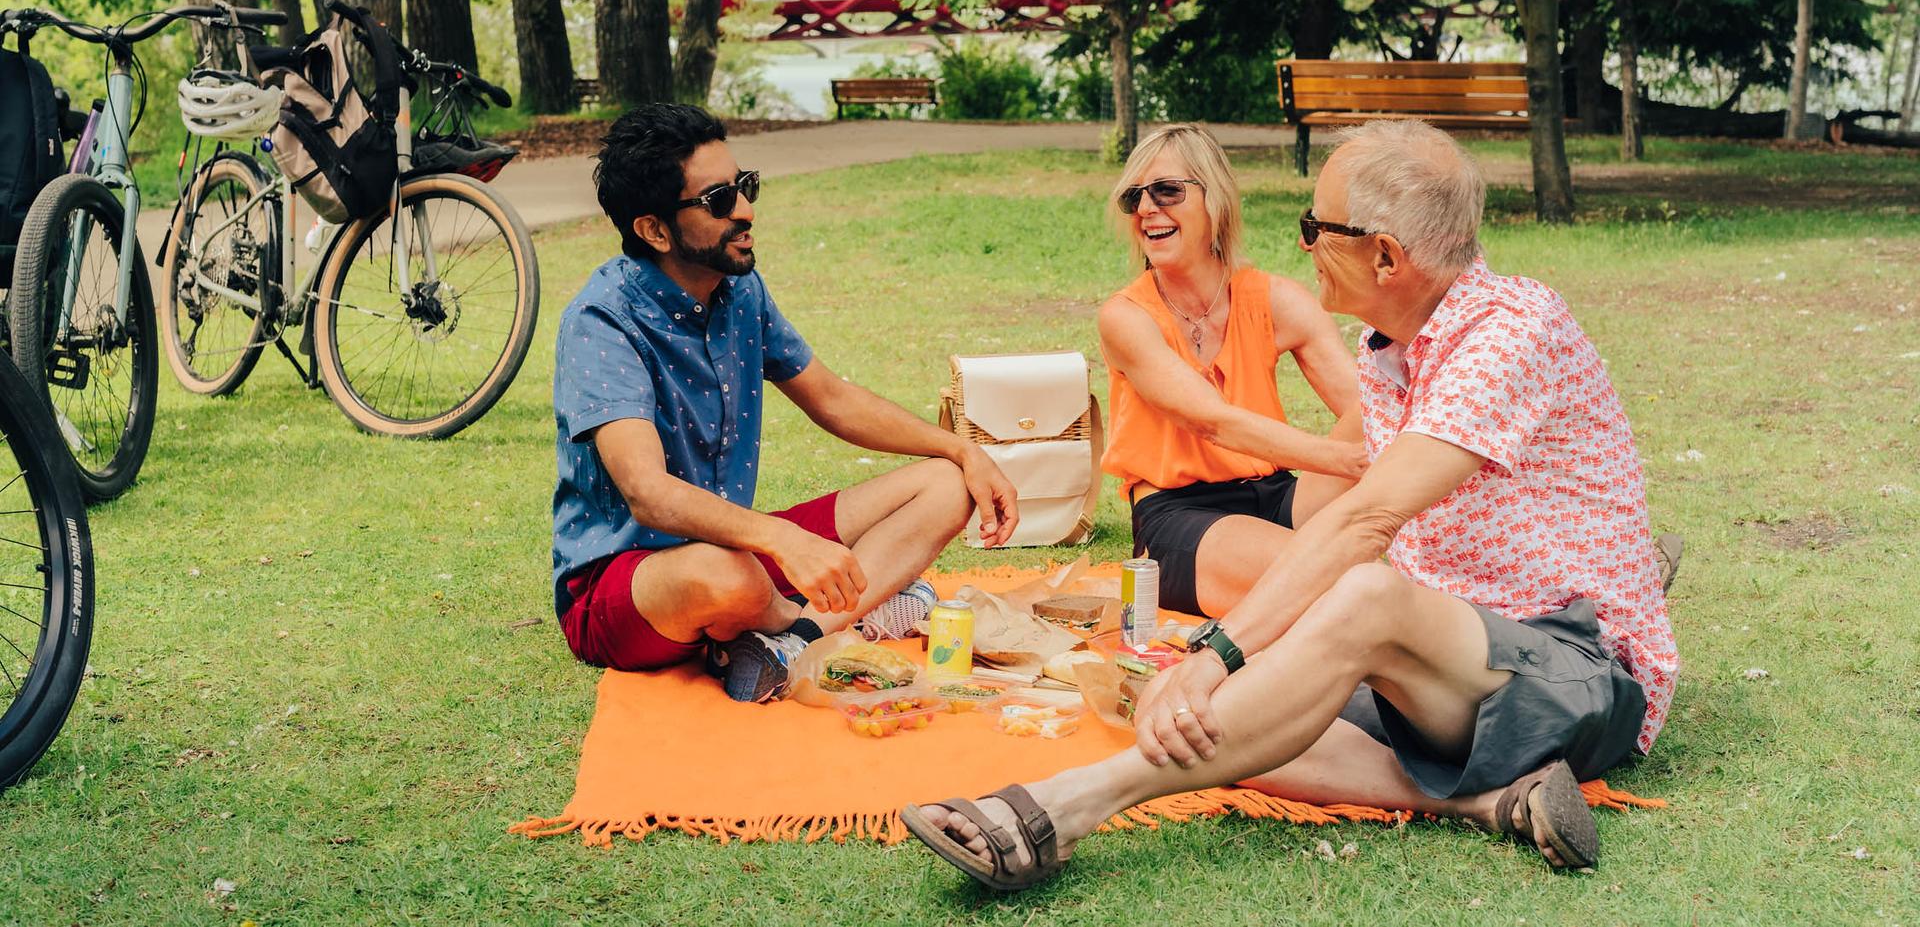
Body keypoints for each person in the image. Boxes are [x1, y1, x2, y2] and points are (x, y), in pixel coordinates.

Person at [902, 119, 1680, 884]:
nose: (1303, 242)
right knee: (1203, 708)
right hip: (1448, 668)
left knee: (1353, 598)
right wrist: (1214, 662)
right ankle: (1486, 802)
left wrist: (1216, 652)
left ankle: (1066, 805)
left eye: (1317, 225)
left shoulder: (1508, 331)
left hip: (1577, 675)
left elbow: (1366, 516)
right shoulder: (1393, 349)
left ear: (1384, 256)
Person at [550, 104, 1019, 703]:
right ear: (654, 230)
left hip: (738, 548)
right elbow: (649, 493)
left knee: (946, 484)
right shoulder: (603, 320)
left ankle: (790, 637)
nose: (745, 211)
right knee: (728, 575)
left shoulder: (739, 289)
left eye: (745, 187)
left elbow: (833, 398)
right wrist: (785, 540)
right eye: (719, 199)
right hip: (626, 585)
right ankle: (825, 619)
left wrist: (963, 449)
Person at [1099, 125, 1370, 617]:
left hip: (1278, 494)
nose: (1145, 209)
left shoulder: (1275, 299)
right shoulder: (1126, 318)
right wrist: (1345, 461)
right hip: (1180, 513)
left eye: (1167, 191)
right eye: (1134, 197)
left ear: (1215, 199)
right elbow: (1213, 422)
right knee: (1333, 581)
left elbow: (1366, 408)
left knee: (1383, 408)